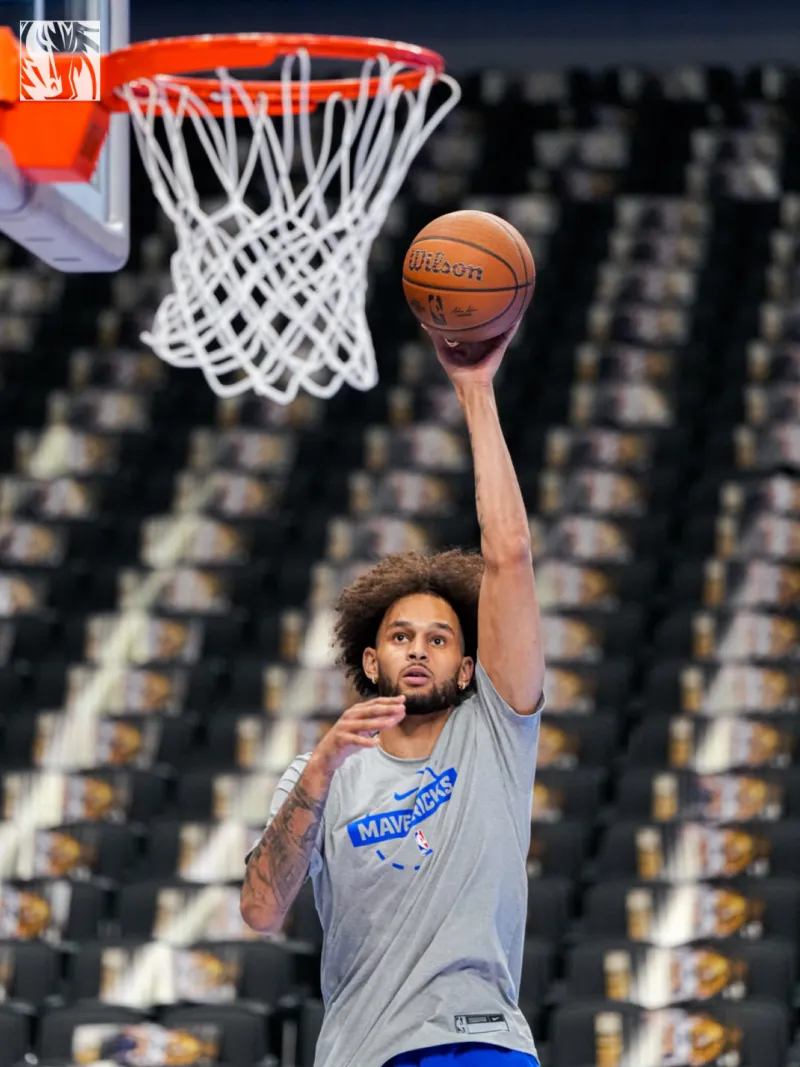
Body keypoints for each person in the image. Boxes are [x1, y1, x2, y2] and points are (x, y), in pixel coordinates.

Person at [241, 322, 545, 1067]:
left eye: (440, 638)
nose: (419, 647)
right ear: (370, 659)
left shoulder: (495, 735)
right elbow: (259, 909)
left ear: (469, 668)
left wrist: (475, 388)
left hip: (479, 1041)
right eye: (402, 636)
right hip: (361, 1052)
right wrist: (317, 770)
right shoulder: (321, 775)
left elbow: (507, 555)